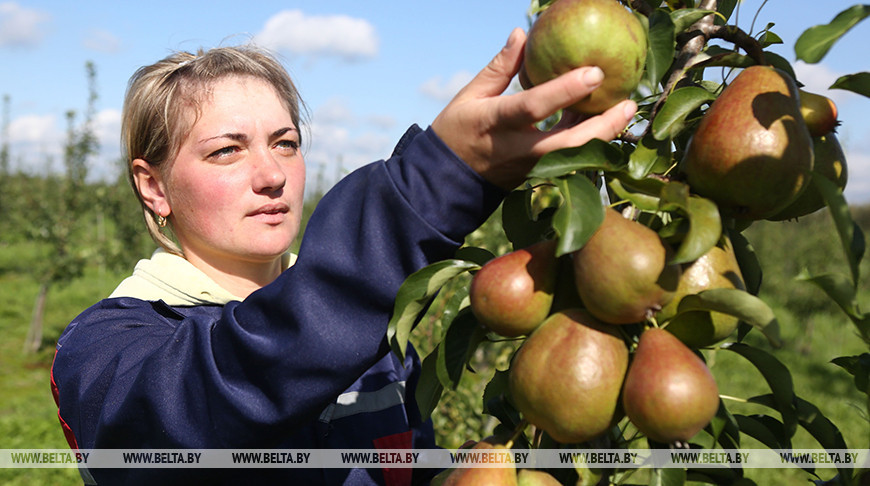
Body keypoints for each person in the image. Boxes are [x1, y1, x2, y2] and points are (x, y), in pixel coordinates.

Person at [50, 27, 636, 485]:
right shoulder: (109, 348)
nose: (272, 175)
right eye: (227, 151)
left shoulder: (370, 333)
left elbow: (407, 467)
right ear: (153, 187)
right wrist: (434, 183)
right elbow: (237, 380)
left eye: (286, 143)